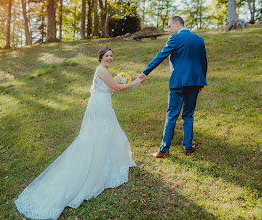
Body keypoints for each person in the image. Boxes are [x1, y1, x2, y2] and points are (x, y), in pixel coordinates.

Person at [15, 47, 143, 219]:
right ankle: (99, 164)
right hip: (101, 109)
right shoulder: (102, 70)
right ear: (100, 58)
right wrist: (135, 81)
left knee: (108, 134)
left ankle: (107, 160)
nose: (110, 58)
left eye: (112, 55)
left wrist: (120, 82)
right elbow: (118, 88)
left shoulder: (104, 71)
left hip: (102, 105)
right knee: (103, 135)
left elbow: (109, 89)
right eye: (107, 56)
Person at [139, 16, 208, 158]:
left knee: (171, 115)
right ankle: (188, 147)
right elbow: (204, 62)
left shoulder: (175, 39)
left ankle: (164, 150)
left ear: (178, 24)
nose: (169, 30)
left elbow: (160, 56)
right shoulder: (199, 40)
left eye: (170, 26)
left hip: (178, 82)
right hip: (195, 82)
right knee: (188, 114)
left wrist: (145, 72)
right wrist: (201, 82)